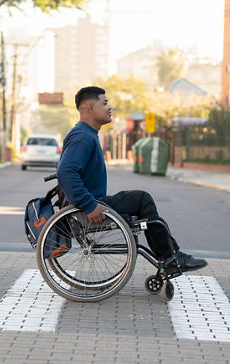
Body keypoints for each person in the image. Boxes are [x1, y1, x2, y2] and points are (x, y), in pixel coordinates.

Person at [57, 86, 207, 273]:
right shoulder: (82, 136)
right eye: (104, 103)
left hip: (92, 201)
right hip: (90, 206)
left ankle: (170, 256)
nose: (109, 107)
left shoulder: (87, 134)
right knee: (142, 199)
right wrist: (88, 206)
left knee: (149, 212)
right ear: (89, 108)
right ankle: (170, 257)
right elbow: (65, 172)